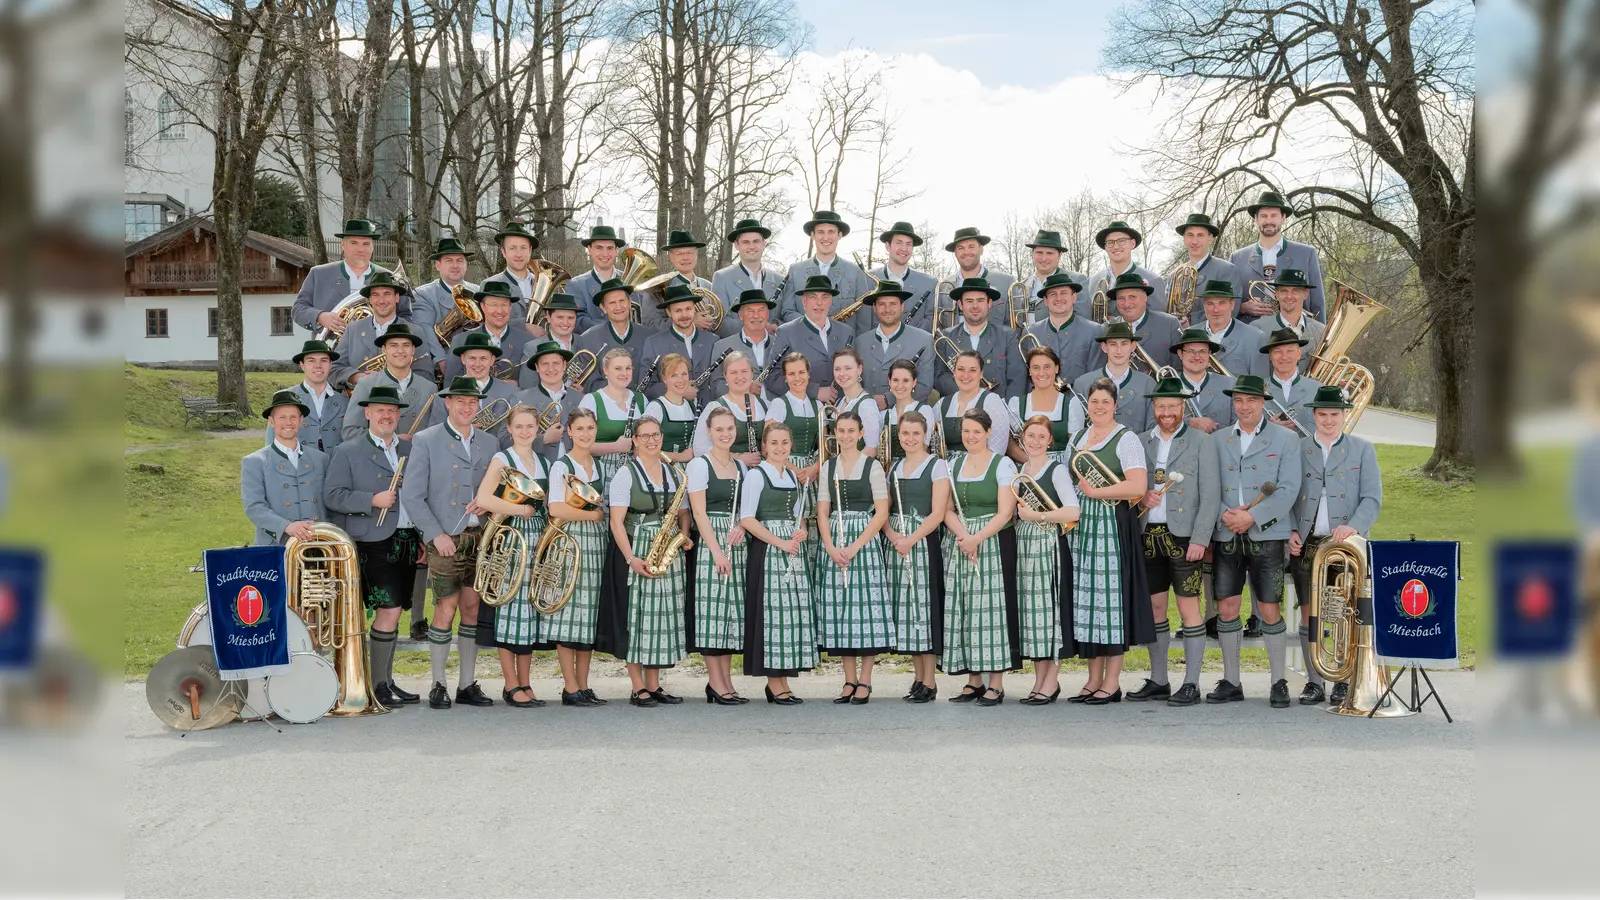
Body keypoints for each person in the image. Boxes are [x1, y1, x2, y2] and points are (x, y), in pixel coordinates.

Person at [399, 376, 500, 710]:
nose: (467, 407)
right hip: (445, 537)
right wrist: (434, 534)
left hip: (480, 538)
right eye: (460, 401)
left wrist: (490, 502)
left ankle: (467, 683)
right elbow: (412, 495)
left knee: (472, 608)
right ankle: (438, 683)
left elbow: (497, 488)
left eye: (472, 402)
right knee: (446, 608)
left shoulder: (489, 442)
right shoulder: (427, 440)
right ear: (447, 402)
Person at [322, 384, 422, 707]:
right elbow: (332, 496)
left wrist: (421, 535)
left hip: (407, 539)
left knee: (395, 613)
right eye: (380, 409)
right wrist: (371, 500)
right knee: (388, 609)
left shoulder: (409, 451)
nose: (386, 415)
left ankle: (387, 680)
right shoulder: (348, 450)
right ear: (367, 413)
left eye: (392, 410)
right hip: (373, 541)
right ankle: (377, 685)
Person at [1207, 374, 1304, 708]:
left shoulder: (1286, 440)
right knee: (1227, 606)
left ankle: (1279, 681)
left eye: (1250, 400)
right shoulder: (1218, 440)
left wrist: (1253, 517)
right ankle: (1232, 680)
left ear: (1263, 402)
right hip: (1227, 532)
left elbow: (1289, 489)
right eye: (1238, 400)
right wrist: (1226, 515)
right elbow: (1208, 487)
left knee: (1268, 608)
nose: (1244, 406)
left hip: (1268, 534)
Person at [1128, 378, 1221, 707]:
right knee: (1155, 608)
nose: (1166, 412)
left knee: (1188, 608)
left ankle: (1192, 683)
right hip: (1149, 535)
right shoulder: (1139, 441)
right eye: (1161, 406)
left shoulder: (1201, 442)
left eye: (1173, 406)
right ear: (1153, 408)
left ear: (1183, 408)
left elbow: (1211, 496)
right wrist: (1142, 501)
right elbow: (1131, 488)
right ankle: (1159, 679)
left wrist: (1200, 538)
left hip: (1184, 538)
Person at [1289, 385, 1383, 706]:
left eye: (1335, 414)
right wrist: (1290, 530)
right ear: (1314, 415)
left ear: (1345, 415)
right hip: (1309, 544)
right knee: (1309, 613)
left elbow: (1372, 498)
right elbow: (1286, 494)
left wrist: (1353, 526)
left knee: (1344, 611)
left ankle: (1343, 680)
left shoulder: (1362, 449)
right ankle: (1314, 681)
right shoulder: (1298, 448)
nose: (1329, 420)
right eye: (1323, 414)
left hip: (1346, 545)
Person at [1066, 377, 1155, 704]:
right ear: (1087, 406)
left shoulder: (1126, 438)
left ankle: (1112, 682)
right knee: (1087, 604)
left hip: (1113, 526)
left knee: (1110, 604)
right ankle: (1092, 681)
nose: (1099, 407)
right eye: (1094, 402)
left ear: (1115, 405)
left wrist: (1097, 491)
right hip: (1083, 529)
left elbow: (1137, 487)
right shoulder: (1077, 439)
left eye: (1105, 402)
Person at [471, 405, 552, 709]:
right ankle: (510, 684)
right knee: (509, 611)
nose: (525, 431)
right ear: (509, 428)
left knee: (528, 611)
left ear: (537, 428)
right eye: (519, 426)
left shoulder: (543, 462)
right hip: (510, 538)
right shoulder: (502, 459)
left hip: (537, 539)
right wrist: (520, 509)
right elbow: (484, 498)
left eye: (530, 426)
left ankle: (526, 682)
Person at [608, 416, 693, 707]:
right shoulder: (625, 474)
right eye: (644, 436)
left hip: (666, 547)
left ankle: (655, 684)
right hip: (639, 547)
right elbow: (616, 522)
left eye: (655, 435)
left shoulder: (673, 471)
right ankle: (637, 685)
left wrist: (683, 535)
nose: (651, 440)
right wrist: (630, 557)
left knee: (661, 617)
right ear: (634, 439)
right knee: (639, 616)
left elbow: (683, 510)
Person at [942, 409, 1020, 706]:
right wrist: (963, 536)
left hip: (993, 541)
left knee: (991, 611)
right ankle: (973, 679)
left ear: (988, 432)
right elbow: (947, 508)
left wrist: (977, 537)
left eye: (976, 431)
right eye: (966, 431)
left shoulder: (1003, 465)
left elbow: (1005, 513)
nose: (971, 436)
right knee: (965, 608)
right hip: (962, 540)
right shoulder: (954, 464)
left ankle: (996, 683)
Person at [814, 410, 893, 704]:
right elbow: (823, 510)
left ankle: (866, 680)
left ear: (860, 434)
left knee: (866, 610)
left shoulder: (872, 467)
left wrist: (857, 545)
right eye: (841, 431)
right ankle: (848, 679)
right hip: (836, 536)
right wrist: (831, 546)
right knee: (842, 609)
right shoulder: (827, 467)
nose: (845, 436)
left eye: (851, 431)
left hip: (863, 539)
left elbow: (881, 512)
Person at [738, 422, 815, 705]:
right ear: (764, 447)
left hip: (791, 550)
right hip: (769, 550)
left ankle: (782, 680)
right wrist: (780, 542)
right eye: (774, 443)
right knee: (772, 616)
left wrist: (802, 530)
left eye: (785, 442)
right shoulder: (757, 476)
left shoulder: (793, 477)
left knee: (788, 616)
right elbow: (747, 519)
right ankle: (774, 682)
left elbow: (800, 515)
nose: (780, 448)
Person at [1012, 416, 1081, 704]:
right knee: (1034, 616)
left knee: (1051, 614)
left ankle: (1051, 681)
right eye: (1031, 436)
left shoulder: (1057, 470)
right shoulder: (1021, 469)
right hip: (1025, 545)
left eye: (1042, 436)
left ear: (1050, 441)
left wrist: (1037, 516)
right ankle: (1039, 680)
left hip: (1049, 544)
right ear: (1023, 439)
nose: (1035, 441)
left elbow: (1073, 512)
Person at [544, 408, 610, 706]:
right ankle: (569, 686)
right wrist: (593, 514)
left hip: (595, 544)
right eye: (580, 428)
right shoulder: (562, 465)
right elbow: (555, 508)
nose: (585, 433)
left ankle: (583, 685)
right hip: (568, 542)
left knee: (588, 615)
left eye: (590, 428)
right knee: (568, 614)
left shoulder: (599, 466)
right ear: (569, 431)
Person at [882, 411, 950, 702]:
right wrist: (892, 535)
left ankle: (930, 680)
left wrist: (910, 538)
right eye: (905, 434)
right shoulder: (893, 467)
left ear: (926, 436)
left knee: (923, 608)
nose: (910, 439)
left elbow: (937, 513)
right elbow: (884, 510)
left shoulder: (937, 466)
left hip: (921, 541)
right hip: (899, 541)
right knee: (906, 609)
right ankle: (917, 675)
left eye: (916, 434)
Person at [687, 407, 751, 705]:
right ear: (709, 432)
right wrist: (715, 552)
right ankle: (715, 682)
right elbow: (699, 513)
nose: (725, 434)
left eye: (729, 429)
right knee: (713, 614)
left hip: (735, 543)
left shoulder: (742, 468)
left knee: (728, 614)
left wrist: (740, 524)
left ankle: (726, 682)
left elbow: (745, 510)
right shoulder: (700, 465)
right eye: (719, 429)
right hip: (713, 544)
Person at [243, 390, 328, 546]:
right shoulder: (254, 461)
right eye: (282, 417)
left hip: (317, 544)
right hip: (276, 546)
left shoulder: (321, 459)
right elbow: (254, 507)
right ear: (271, 421)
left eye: (293, 417)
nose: (288, 422)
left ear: (301, 420)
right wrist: (287, 526)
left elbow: (329, 502)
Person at [1229, 191, 1326, 322]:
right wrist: (1242, 308)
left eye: (1273, 215)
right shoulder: (1237, 258)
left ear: (1283, 218)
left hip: (1295, 335)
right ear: (1256, 219)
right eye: (1263, 216)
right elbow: (1227, 303)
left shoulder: (1307, 254)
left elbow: (1317, 304)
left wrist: (1319, 336)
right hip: (1251, 334)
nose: (1268, 221)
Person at [764, 352, 822, 566]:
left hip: (812, 471)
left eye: (801, 372)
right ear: (785, 378)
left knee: (814, 521)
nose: (797, 378)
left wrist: (814, 468)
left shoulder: (819, 406)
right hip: (787, 469)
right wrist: (794, 470)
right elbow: (768, 445)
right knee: (795, 519)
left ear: (809, 374)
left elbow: (825, 445)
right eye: (791, 374)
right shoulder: (779, 404)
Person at [331, 271, 431, 390]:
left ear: (397, 297)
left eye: (387, 294)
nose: (381, 300)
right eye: (376, 295)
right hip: (358, 401)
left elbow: (426, 376)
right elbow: (335, 368)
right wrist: (358, 377)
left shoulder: (415, 331)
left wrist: (390, 379)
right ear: (370, 300)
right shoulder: (352, 329)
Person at [291, 218, 391, 336]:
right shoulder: (318, 274)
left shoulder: (389, 277)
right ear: (343, 245)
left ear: (372, 247)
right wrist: (320, 317)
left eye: (366, 244)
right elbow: (298, 309)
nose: (360, 249)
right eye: (354, 243)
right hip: (331, 350)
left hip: (376, 350)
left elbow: (406, 315)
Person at [780, 211, 873, 333]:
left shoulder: (855, 271)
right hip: (803, 342)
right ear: (812, 235)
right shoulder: (795, 270)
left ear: (839, 235)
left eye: (831, 232)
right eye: (820, 232)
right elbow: (787, 311)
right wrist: (810, 324)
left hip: (844, 346)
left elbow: (864, 318)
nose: (825, 237)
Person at [342, 324, 438, 443]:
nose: (400, 351)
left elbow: (436, 434)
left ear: (413, 350)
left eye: (406, 345)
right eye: (393, 345)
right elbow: (350, 432)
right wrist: (391, 440)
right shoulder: (366, 385)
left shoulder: (429, 389)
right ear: (384, 349)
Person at [933, 277, 1024, 398]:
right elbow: (938, 377)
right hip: (958, 408)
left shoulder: (1008, 336)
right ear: (960, 304)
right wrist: (971, 392)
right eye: (969, 301)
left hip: (997, 409)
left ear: (989, 303)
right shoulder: (945, 337)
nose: (975, 306)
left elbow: (1017, 378)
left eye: (980, 300)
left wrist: (1006, 410)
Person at [852, 280, 934, 406]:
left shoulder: (924, 340)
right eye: (881, 304)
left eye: (893, 304)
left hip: (908, 417)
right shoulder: (860, 342)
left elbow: (924, 386)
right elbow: (855, 382)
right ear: (874, 308)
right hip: (868, 414)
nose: (887, 309)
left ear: (902, 307)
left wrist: (887, 399)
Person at [431, 331, 521, 447]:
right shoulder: (442, 398)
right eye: (472, 358)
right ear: (463, 359)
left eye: (483, 358)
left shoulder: (512, 393)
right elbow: (434, 438)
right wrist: (458, 431)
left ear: (492, 360)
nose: (477, 364)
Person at [1022, 272, 1106, 387]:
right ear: (1045, 301)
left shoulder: (1094, 331)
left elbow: (1096, 379)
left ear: (1074, 297)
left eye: (1064, 293)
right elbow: (1026, 378)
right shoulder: (1031, 332)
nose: (1058, 298)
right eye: (1052, 294)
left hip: (1080, 402)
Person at [773, 274, 847, 403]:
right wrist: (814, 391)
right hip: (803, 409)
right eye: (813, 297)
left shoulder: (846, 332)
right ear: (804, 301)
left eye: (825, 297)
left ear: (830, 301)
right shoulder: (785, 332)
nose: (819, 303)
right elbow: (773, 377)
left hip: (841, 410)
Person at [1072, 322, 1157, 434]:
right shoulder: (1082, 384)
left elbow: (1152, 429)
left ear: (1133, 346)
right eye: (1113, 344)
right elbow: (1076, 431)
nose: (1118, 350)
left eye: (1124, 344)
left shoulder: (1148, 384)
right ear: (1104, 347)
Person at [574, 277, 655, 393]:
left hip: (645, 403)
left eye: (622, 301)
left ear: (629, 303)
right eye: (612, 303)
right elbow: (589, 382)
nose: (618, 307)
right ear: (603, 308)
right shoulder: (588, 339)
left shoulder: (649, 336)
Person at [580, 348, 648, 484]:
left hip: (635, 473)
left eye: (628, 368)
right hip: (599, 474)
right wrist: (616, 447)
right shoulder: (591, 400)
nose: (624, 373)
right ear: (606, 370)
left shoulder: (641, 399)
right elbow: (580, 446)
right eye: (618, 368)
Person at [638, 283, 717, 401]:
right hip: (672, 413)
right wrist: (679, 391)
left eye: (688, 309)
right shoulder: (653, 343)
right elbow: (646, 387)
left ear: (695, 309)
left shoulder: (713, 340)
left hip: (708, 411)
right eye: (678, 310)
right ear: (669, 313)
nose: (684, 315)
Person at [442, 281, 531, 384]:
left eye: (504, 305)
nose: (499, 311)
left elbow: (533, 386)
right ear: (483, 306)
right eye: (493, 305)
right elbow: (450, 384)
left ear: (510, 307)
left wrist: (516, 385)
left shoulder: (528, 342)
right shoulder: (460, 341)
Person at [1080, 220, 1167, 323]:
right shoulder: (1094, 280)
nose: (1116, 246)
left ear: (1132, 243)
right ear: (1105, 247)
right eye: (1110, 242)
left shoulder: (1153, 280)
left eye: (1121, 241)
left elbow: (1159, 322)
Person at [408, 237, 478, 365]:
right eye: (449, 261)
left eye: (460, 261)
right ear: (438, 265)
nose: (455, 265)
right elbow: (425, 330)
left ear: (466, 265)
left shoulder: (478, 292)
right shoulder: (423, 294)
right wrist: (441, 360)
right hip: (442, 361)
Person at [637, 230, 720, 335]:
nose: (685, 257)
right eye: (679, 254)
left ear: (696, 255)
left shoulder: (708, 286)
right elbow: (650, 325)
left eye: (690, 253)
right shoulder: (656, 287)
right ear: (671, 257)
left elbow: (717, 321)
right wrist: (690, 321)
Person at [1009, 346, 1083, 463]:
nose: (1041, 373)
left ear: (1057, 368)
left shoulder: (1072, 405)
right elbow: (1011, 445)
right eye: (1036, 368)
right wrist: (1033, 463)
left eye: (1047, 367)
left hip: (1062, 469)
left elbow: (1075, 448)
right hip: (1027, 470)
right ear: (1029, 371)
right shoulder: (1016, 404)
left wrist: (1052, 469)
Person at [692, 351, 768, 465]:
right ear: (725, 376)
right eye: (733, 373)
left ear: (752, 373)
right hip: (729, 472)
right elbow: (700, 448)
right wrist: (737, 458)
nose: (740, 377)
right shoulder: (715, 407)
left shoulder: (765, 404)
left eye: (744, 371)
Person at [275, 339, 347, 453]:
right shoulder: (286, 397)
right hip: (300, 465)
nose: (318, 365)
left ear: (330, 364)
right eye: (311, 361)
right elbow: (273, 444)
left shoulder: (343, 400)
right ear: (302, 365)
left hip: (336, 465)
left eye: (323, 360)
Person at [1170, 213, 1245, 323]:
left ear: (1210, 239)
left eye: (1200, 235)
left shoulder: (1226, 269)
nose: (1194, 241)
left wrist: (1190, 323)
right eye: (1190, 235)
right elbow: (1168, 310)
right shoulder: (1175, 274)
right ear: (1184, 239)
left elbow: (1230, 312)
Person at [517, 340, 582, 463]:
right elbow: (506, 439)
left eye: (556, 363)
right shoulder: (522, 399)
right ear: (537, 367)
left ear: (564, 365)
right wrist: (543, 439)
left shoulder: (580, 398)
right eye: (544, 364)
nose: (551, 369)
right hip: (536, 468)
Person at [937, 350, 1012, 457]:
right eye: (961, 369)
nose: (966, 375)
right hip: (944, 471)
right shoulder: (941, 404)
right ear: (954, 372)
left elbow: (997, 450)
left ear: (981, 374)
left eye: (972, 370)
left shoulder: (992, 402)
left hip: (980, 470)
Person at [711, 219, 784, 327]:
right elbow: (720, 322)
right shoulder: (721, 278)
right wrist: (761, 328)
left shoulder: (780, 280)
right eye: (746, 242)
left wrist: (776, 326)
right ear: (736, 245)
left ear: (764, 244)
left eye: (756, 241)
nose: (751, 247)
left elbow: (786, 317)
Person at [707, 289, 778, 399]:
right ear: (740, 315)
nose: (756, 316)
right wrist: (744, 389)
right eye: (750, 311)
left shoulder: (780, 344)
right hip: (739, 412)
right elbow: (716, 387)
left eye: (761, 310)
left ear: (767, 314)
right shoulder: (722, 346)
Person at [870, 222, 940, 333]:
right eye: (899, 243)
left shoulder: (930, 282)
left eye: (908, 244)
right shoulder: (868, 278)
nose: (904, 248)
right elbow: (863, 320)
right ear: (888, 246)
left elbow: (930, 320)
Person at [1107, 271, 1183, 373]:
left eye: (1132, 297)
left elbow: (1180, 368)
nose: (1127, 304)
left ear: (1145, 298)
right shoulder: (1106, 328)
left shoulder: (1170, 324)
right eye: (1121, 298)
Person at [1250, 269, 1326, 369]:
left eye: (1296, 291)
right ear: (1276, 294)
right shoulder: (1257, 329)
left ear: (1305, 294)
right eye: (1284, 291)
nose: (1289, 296)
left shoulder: (1321, 331)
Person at [945, 227, 1016, 331]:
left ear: (981, 249)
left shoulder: (1006, 282)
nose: (966, 252)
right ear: (955, 253)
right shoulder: (944, 287)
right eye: (960, 248)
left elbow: (1016, 326)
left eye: (971, 246)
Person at [1016, 230, 1091, 329]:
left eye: (1049, 253)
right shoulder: (1021, 286)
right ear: (1032, 254)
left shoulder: (1076, 280)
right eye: (1039, 252)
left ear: (1060, 255)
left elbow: (1083, 320)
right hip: (1027, 342)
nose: (1044, 258)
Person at [1197, 278, 1269, 378]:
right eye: (1210, 304)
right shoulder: (1189, 333)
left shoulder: (1255, 338)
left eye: (1222, 303)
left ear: (1232, 305)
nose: (1216, 309)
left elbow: (1261, 384)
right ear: (1204, 305)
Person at [1260, 327, 1323, 437]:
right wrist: (1268, 429)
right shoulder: (1256, 389)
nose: (1284, 357)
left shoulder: (1319, 390)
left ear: (1299, 354)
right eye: (1277, 352)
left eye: (1290, 351)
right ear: (1270, 356)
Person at [1170, 327, 1234, 433]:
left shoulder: (1229, 384)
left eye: (1202, 352)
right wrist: (1190, 422)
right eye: (1191, 351)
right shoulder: (1166, 386)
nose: (1197, 357)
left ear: (1209, 354)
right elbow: (1155, 424)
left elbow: (1240, 425)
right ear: (1180, 354)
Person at [566, 224, 626, 332]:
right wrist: (614, 328)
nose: (605, 254)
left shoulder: (629, 281)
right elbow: (577, 320)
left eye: (610, 248)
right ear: (589, 250)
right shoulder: (576, 285)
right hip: (592, 346)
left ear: (616, 250)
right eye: (599, 248)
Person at [517, 293, 583, 390]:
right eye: (560, 317)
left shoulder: (584, 341)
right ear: (548, 317)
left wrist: (584, 390)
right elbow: (528, 387)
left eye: (570, 318)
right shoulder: (533, 347)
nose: (565, 323)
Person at [482, 221, 541, 326]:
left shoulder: (542, 283)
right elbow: (487, 324)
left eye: (523, 248)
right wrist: (525, 327)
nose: (519, 254)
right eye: (512, 248)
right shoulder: (489, 284)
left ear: (530, 251)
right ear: (503, 252)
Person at [880, 359, 938, 465]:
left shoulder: (924, 410)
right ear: (889, 381)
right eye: (895, 380)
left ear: (914, 382)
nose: (900, 385)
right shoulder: (883, 415)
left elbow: (924, 447)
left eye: (906, 380)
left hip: (915, 470)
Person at [644, 353, 698, 465]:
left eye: (684, 374)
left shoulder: (692, 406)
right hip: (663, 470)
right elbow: (642, 450)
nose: (681, 379)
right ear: (664, 379)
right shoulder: (656, 408)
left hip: (690, 470)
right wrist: (680, 456)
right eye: (673, 375)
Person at [832, 348, 882, 459]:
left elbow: (871, 448)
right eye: (837, 369)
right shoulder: (839, 403)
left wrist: (846, 467)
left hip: (857, 472)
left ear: (859, 369)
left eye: (848, 368)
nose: (842, 374)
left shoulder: (866, 404)